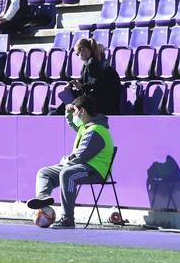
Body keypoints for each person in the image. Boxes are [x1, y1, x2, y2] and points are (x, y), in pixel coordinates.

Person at [27, 95, 115, 229]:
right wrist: (68, 113)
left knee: (67, 174)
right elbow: (73, 124)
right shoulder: (85, 126)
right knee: (44, 172)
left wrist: (64, 160)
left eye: (75, 111)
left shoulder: (96, 130)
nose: (74, 114)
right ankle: (43, 198)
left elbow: (80, 157)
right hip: (81, 167)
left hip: (95, 171)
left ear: (82, 111)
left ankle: (68, 219)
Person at [67, 38, 122, 115]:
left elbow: (97, 84)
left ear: (83, 50)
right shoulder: (89, 63)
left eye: (77, 54)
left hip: (102, 105)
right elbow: (85, 79)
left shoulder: (93, 63)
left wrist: (82, 87)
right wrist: (72, 83)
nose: (77, 57)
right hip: (101, 102)